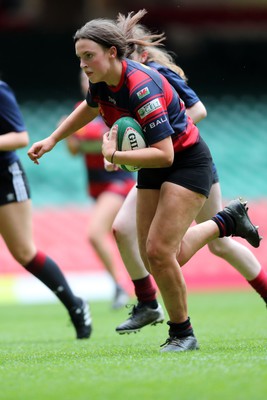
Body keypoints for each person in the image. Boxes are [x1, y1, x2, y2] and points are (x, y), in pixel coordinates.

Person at [27, 15, 261, 352]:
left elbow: (166, 155)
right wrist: (52, 140)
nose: (83, 64)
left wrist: (116, 155)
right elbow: (89, 107)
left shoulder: (141, 88)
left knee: (159, 251)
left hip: (186, 163)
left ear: (112, 52)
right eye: (79, 57)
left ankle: (183, 334)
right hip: (154, 166)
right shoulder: (103, 81)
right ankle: (227, 221)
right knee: (157, 255)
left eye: (89, 56)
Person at [111, 10, 267, 334]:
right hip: (157, 166)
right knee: (123, 228)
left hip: (187, 162)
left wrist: (163, 138)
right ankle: (148, 303)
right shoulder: (119, 85)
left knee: (216, 245)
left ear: (139, 53)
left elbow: (198, 110)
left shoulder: (156, 74)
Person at [0, 78, 92, 340]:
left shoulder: (0, 90)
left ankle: (75, 305)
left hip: (4, 176)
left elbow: (21, 137)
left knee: (23, 252)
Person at [65, 70, 133, 309]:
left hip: (118, 181)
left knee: (96, 233)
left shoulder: (112, 107)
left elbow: (112, 143)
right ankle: (136, 284)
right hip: (96, 185)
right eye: (82, 77)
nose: (86, 80)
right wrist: (70, 138)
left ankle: (120, 285)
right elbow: (74, 150)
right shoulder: (80, 110)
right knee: (119, 236)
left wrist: (79, 138)